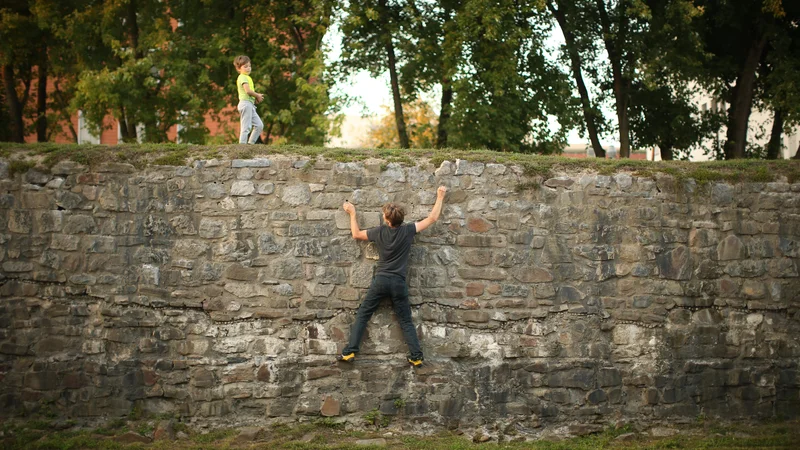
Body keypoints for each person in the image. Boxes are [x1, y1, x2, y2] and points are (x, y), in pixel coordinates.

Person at [337, 186, 447, 367]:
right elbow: (432, 218)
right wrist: (440, 196)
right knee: (405, 320)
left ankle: (350, 353)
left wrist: (352, 213)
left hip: (381, 280)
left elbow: (356, 234)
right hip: (398, 283)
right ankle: (416, 356)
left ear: (387, 221)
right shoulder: (408, 230)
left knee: (363, 314)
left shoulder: (379, 232)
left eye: (384, 215)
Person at [233, 55, 264, 144]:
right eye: (245, 66)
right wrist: (257, 95)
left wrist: (254, 99)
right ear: (239, 68)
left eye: (249, 66)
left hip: (250, 104)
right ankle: (242, 146)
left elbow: (249, 94)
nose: (248, 68)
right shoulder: (242, 77)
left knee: (259, 125)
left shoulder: (247, 77)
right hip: (245, 104)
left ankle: (250, 145)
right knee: (246, 127)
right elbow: (247, 91)